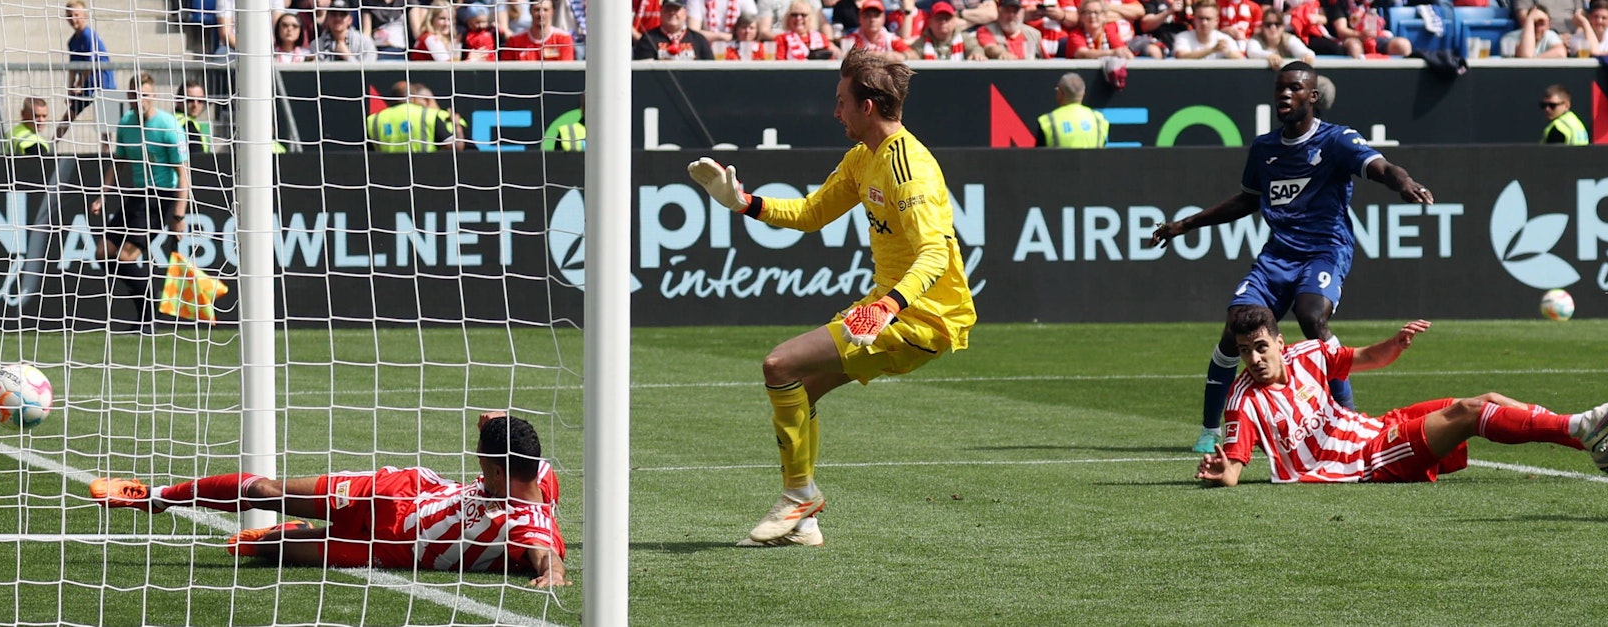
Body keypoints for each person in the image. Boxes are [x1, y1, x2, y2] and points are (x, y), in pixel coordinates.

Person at [684, 49, 976, 547]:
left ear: (867, 106)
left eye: (841, 101)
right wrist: (744, 203)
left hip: (922, 316)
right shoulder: (864, 158)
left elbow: (935, 255)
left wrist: (889, 306)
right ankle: (803, 519)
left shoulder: (910, 169)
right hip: (891, 307)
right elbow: (812, 213)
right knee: (801, 388)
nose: (834, 111)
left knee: (779, 365)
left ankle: (798, 495)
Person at [1147, 62, 1432, 454]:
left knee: (1311, 316)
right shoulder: (1264, 148)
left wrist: (1404, 183)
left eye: (1294, 88)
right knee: (1235, 329)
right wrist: (1185, 224)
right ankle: (1211, 429)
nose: (1284, 94)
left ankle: (1346, 416)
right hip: (1277, 256)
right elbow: (1247, 200)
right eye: (1280, 88)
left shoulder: (1335, 141)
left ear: (1312, 97)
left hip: (1325, 249)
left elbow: (1380, 167)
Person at [1195, 306, 1608, 486]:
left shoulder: (1309, 353)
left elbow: (1368, 359)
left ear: (1279, 342)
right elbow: (1233, 470)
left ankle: (1598, 447)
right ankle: (1580, 429)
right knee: (1470, 412)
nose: (1253, 359)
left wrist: (1394, 345)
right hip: (1363, 461)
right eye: (1244, 352)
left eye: (1260, 347)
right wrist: (1220, 471)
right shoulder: (1243, 400)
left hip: (1375, 428)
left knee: (1490, 398)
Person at [88, 412, 567, 586]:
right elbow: (502, 429)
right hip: (394, 492)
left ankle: (286, 536)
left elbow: (547, 556)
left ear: (500, 469)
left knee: (271, 551)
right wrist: (490, 423)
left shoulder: (530, 526)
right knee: (268, 491)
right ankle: (156, 497)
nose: (477, 466)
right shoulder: (538, 473)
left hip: (389, 550)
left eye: (482, 461)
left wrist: (556, 576)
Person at [92, 73, 191, 334]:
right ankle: (146, 304)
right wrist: (103, 193)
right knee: (103, 253)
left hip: (161, 198)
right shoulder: (125, 123)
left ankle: (147, 316)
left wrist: (178, 217)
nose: (140, 99)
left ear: (153, 96)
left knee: (125, 256)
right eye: (135, 94)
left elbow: (183, 174)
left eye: (145, 94)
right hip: (136, 195)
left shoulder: (168, 125)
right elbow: (119, 162)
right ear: (129, 97)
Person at [64, 1, 115, 136]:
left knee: (106, 125)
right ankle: (51, 147)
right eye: (69, 15)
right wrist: (70, 88)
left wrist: (80, 85)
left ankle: (107, 152)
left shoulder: (89, 36)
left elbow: (90, 63)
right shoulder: (72, 41)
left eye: (76, 15)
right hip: (87, 85)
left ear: (84, 16)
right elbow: (73, 68)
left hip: (104, 84)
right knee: (70, 114)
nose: (73, 19)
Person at [365, 81, 460, 152]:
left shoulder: (374, 120)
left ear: (391, 99)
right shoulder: (428, 115)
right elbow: (455, 147)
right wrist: (457, 125)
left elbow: (364, 151)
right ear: (414, 98)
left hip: (386, 174)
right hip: (424, 172)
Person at [1037, 73, 1108, 148]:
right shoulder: (1099, 120)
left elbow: (1038, 155)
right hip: (1093, 160)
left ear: (1061, 93)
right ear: (1083, 94)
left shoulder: (1048, 121)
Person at [636, 0, 717, 59]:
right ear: (661, 12)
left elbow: (710, 68)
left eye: (676, 9)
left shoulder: (698, 39)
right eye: (668, 10)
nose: (672, 13)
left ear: (685, 13)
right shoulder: (648, 39)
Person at [1240, 7, 1315, 69]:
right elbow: (1252, 52)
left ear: (1283, 26)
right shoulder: (1255, 39)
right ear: (1262, 27)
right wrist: (1270, 56)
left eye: (1277, 24)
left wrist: (1307, 55)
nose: (1273, 28)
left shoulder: (1289, 39)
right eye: (1268, 24)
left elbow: (1307, 52)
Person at [504, 0, 579, 59]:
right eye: (537, 9)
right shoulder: (514, 40)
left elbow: (566, 72)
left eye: (545, 10)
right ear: (530, 11)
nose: (541, 14)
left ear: (552, 12)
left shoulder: (563, 39)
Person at [840, 0, 912, 62]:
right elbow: (845, 56)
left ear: (883, 18)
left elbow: (913, 54)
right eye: (868, 16)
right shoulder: (851, 38)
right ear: (860, 18)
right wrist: (880, 55)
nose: (872, 20)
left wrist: (902, 56)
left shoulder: (890, 38)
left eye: (876, 16)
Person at [974, 0, 1048, 59]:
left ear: (1022, 13)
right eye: (1007, 11)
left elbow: (1045, 61)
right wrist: (1002, 53)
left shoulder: (1034, 34)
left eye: (1015, 11)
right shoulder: (986, 30)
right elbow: (990, 48)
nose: (1011, 15)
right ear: (999, 12)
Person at [909, 1, 981, 59]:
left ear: (954, 21)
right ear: (930, 22)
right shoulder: (922, 41)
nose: (943, 22)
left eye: (947, 18)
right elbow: (914, 54)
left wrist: (976, 54)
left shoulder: (964, 38)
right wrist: (905, 56)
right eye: (939, 18)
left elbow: (974, 48)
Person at [1173, 0, 1243, 59]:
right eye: (1201, 18)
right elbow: (1181, 57)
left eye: (1208, 19)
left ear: (1216, 21)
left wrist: (1227, 52)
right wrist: (1212, 50)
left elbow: (1240, 60)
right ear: (1194, 19)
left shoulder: (1224, 39)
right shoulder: (1183, 37)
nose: (1204, 23)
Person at [1067, 0, 1137, 58]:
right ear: (1081, 17)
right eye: (1088, 12)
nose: (1092, 16)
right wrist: (1112, 53)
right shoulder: (1075, 35)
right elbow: (1083, 54)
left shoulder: (1108, 32)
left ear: (1104, 16)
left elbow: (1121, 50)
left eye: (1096, 12)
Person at [315, 0, 380, 61]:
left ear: (350, 20)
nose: (338, 18)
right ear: (327, 19)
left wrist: (347, 56)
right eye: (334, 14)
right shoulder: (316, 46)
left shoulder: (365, 43)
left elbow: (369, 71)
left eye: (342, 15)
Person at [776, 0, 843, 59]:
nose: (799, 18)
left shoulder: (822, 38)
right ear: (788, 18)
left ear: (811, 18)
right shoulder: (781, 39)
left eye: (803, 15)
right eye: (794, 15)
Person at [1504, 5, 1571, 56]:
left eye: (1541, 24)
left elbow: (1561, 53)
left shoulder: (1549, 35)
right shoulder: (1510, 38)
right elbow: (1526, 55)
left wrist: (1533, 61)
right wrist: (1530, 19)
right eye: (1534, 24)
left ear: (1549, 25)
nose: (1538, 28)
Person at [175, 80, 215, 153]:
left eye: (200, 100)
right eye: (190, 100)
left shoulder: (173, 119)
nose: (195, 105)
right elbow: (198, 158)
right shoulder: (188, 125)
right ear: (178, 101)